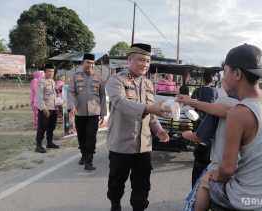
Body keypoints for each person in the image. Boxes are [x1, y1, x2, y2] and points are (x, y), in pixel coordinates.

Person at [180, 44, 262, 211]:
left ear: (237, 74)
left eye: (225, 71)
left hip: (250, 202)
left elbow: (227, 170)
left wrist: (213, 175)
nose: (223, 76)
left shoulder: (239, 113)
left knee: (205, 181)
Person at [105, 43, 171, 211]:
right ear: (129, 60)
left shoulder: (148, 84)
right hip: (121, 145)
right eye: (141, 60)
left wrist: (159, 130)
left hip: (144, 147)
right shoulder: (116, 80)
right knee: (116, 184)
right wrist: (150, 108)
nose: (145, 64)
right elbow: (120, 103)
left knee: (142, 187)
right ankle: (115, 205)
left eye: (148, 61)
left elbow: (152, 115)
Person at [69, 53, 107, 171]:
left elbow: (102, 95)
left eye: (92, 63)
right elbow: (71, 92)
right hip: (79, 111)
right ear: (82, 63)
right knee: (81, 136)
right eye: (88, 63)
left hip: (94, 112)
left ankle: (89, 161)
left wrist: (103, 113)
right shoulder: (75, 76)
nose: (90, 65)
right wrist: (72, 105)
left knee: (91, 136)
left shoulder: (99, 77)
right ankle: (84, 155)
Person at [183, 71, 218, 187]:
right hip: (211, 127)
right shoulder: (215, 91)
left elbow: (191, 106)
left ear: (203, 80)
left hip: (199, 121)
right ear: (212, 80)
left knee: (199, 158)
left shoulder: (198, 91)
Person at [35, 64, 59, 153]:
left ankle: (49, 142)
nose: (51, 73)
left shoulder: (52, 81)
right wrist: (44, 109)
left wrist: (58, 104)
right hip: (45, 109)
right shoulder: (41, 82)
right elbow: (39, 96)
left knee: (51, 127)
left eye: (52, 71)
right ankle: (38, 145)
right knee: (42, 127)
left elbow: (53, 95)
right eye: (49, 71)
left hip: (53, 107)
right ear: (45, 72)